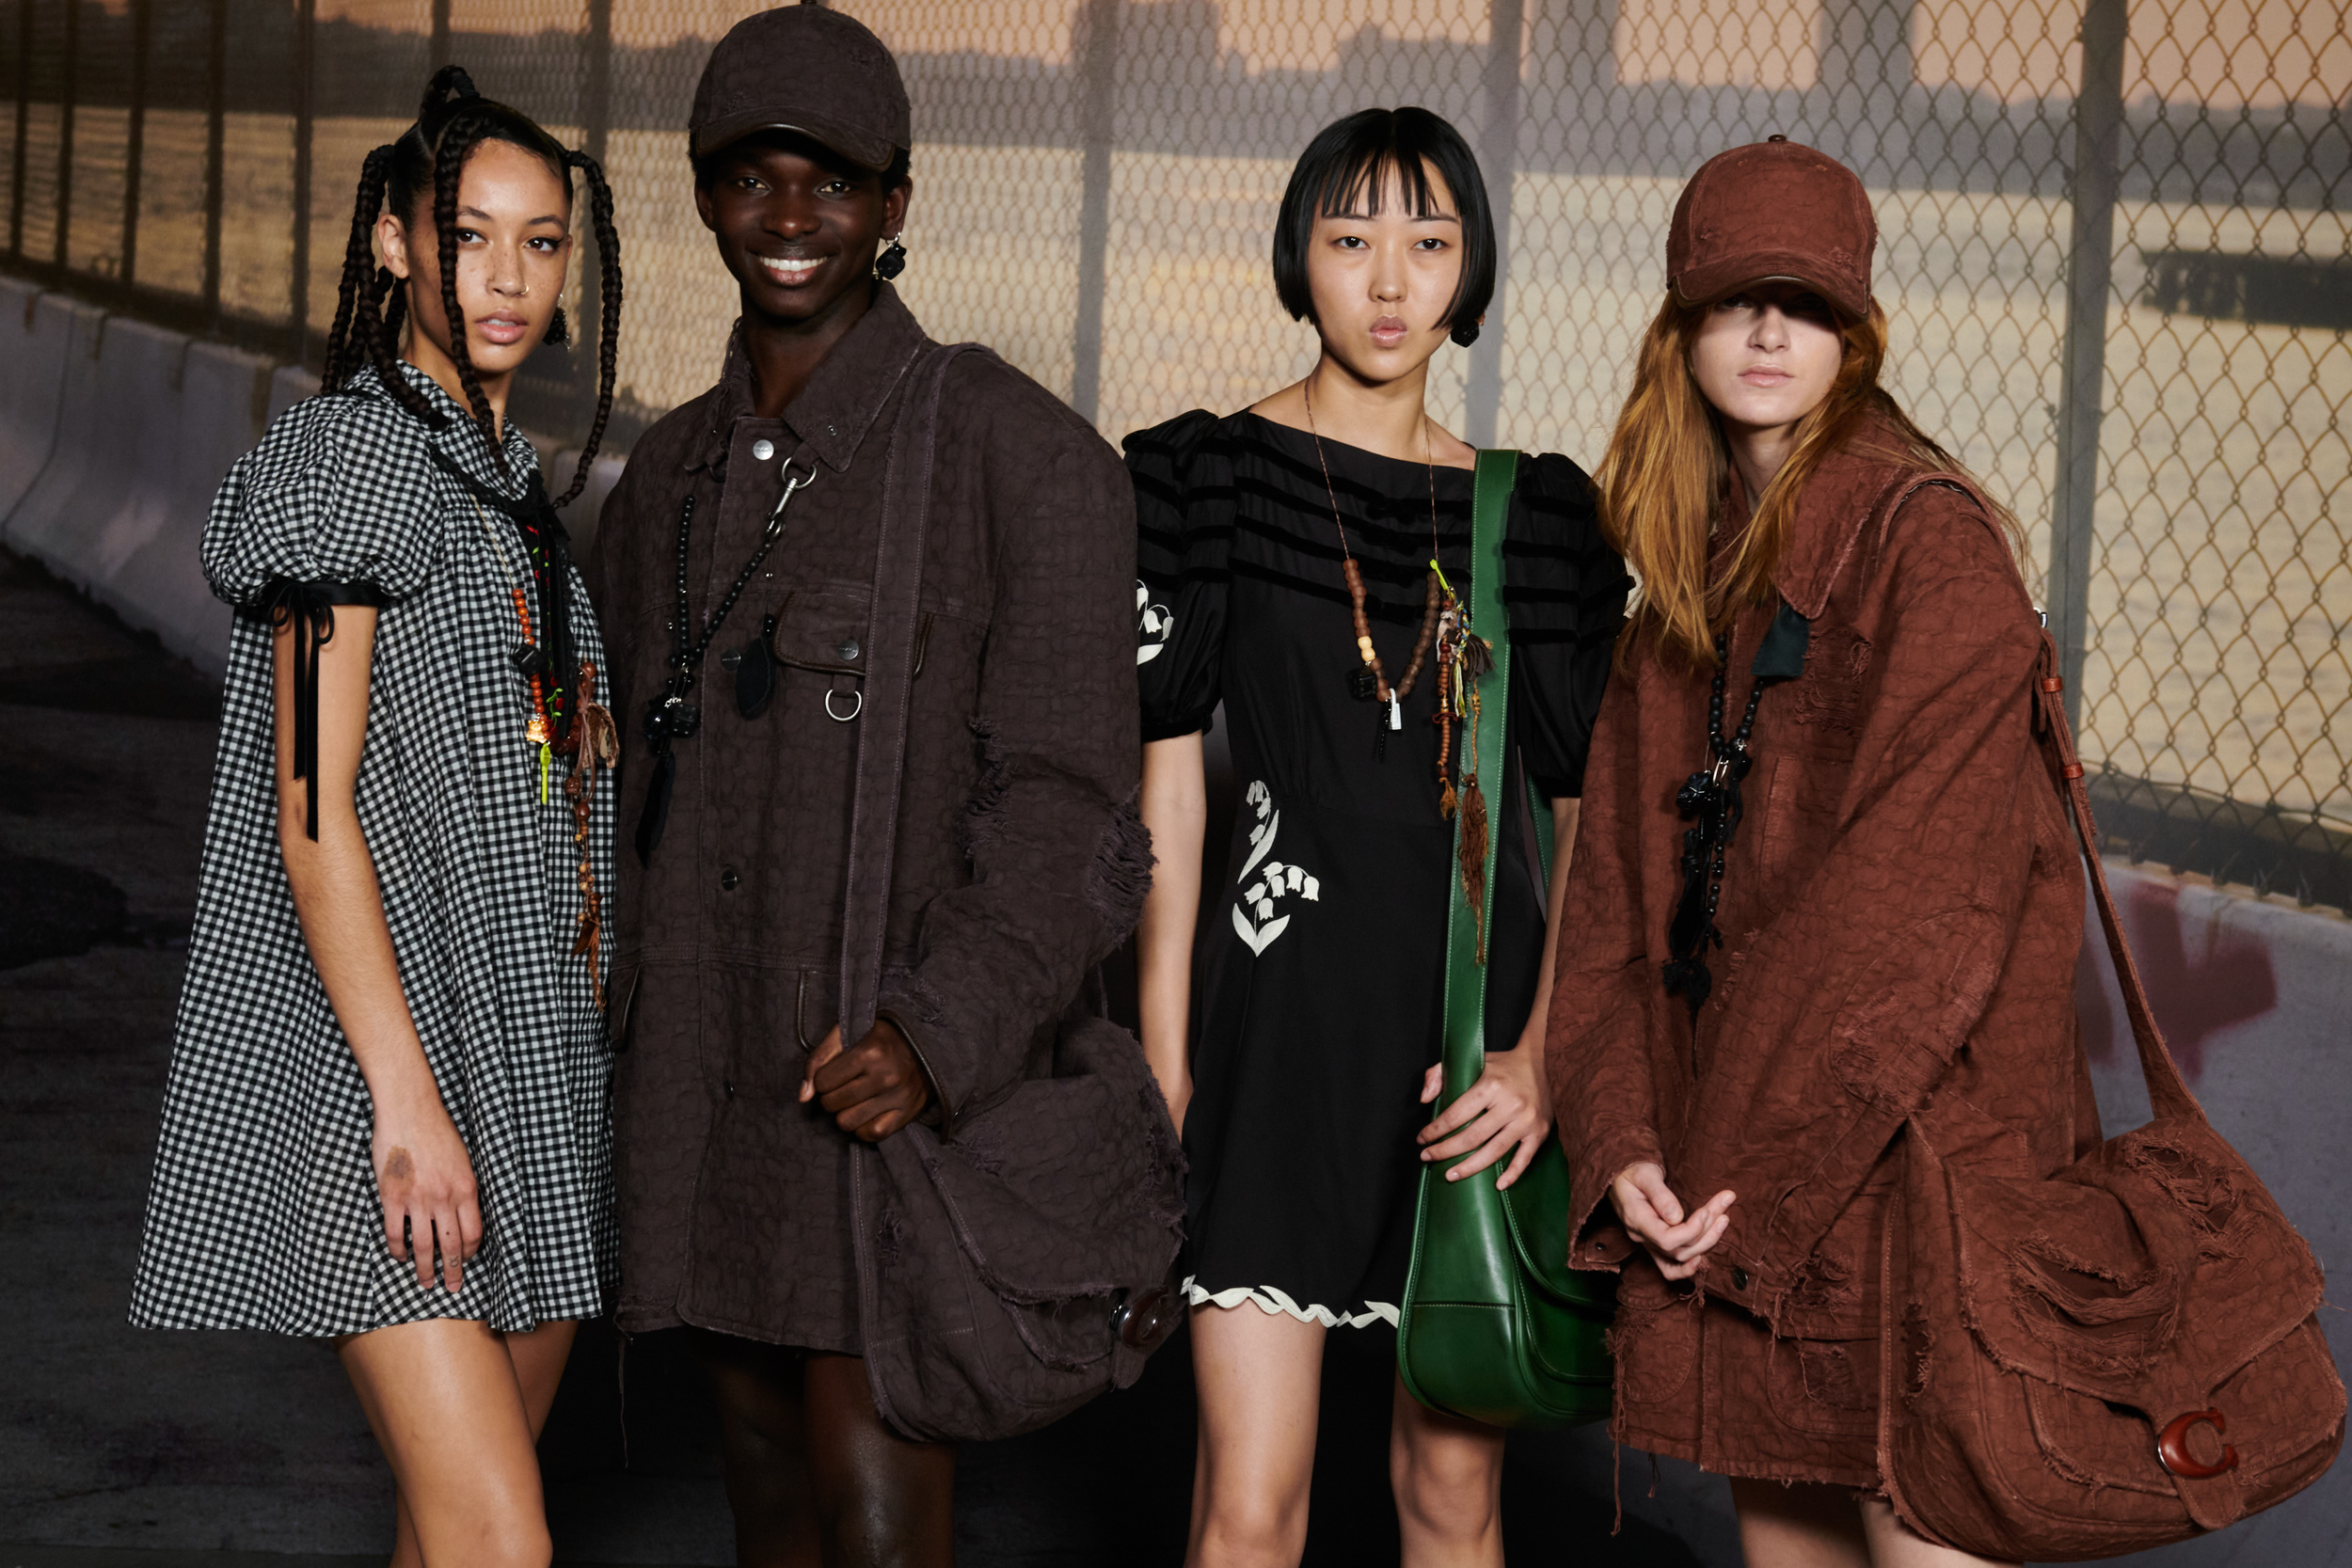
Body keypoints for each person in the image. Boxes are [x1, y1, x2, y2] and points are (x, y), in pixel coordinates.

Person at [581, 10, 1146, 1565]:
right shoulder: (664, 486)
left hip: (877, 1098)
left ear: (895, 203)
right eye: (750, 177)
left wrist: (934, 1035)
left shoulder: (1020, 459)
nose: (787, 215)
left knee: (883, 1526)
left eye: (830, 182)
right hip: (705, 1099)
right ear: (704, 194)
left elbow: (1070, 811)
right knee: (766, 1509)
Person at [1546, 138, 2094, 1568]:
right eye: (1737, 301)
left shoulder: (1936, 552)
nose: (1770, 332)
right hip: (1730, 1181)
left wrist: (1730, 1173)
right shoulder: (1685, 578)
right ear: (1682, 330)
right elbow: (1609, 905)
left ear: (1856, 337)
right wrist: (1624, 1143)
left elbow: (1917, 920)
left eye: (1807, 305)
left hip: (1913, 1173)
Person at [130, 68, 625, 1567]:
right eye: (469, 236)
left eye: (541, 241)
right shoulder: (355, 461)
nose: (508, 278)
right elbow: (311, 809)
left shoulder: (502, 484)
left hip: (520, 1061)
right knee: (498, 1542)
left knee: (450, 1531)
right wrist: (405, 1112)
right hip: (383, 1081)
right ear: (399, 243)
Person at [1130, 107, 1630, 1567]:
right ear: (1301, 258)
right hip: (1274, 1033)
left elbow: (1586, 818)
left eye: (1429, 241)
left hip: (1466, 1048)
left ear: (1471, 272)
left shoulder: (1534, 520)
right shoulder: (1206, 479)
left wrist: (1542, 1055)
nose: (1391, 281)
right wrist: (1164, 1060)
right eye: (1352, 240)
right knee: (1247, 1506)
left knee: (1451, 1499)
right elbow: (1170, 790)